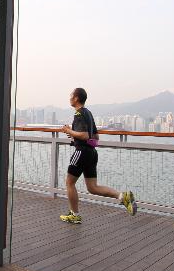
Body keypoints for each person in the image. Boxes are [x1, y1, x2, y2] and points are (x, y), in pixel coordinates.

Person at [59, 87, 137, 224]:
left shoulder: (78, 114)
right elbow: (95, 137)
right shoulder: (88, 113)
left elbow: (84, 135)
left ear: (76, 98)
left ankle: (74, 214)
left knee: (69, 183)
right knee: (92, 187)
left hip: (81, 152)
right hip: (91, 153)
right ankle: (122, 196)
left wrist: (68, 131)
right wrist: (75, 136)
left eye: (71, 95)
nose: (70, 98)